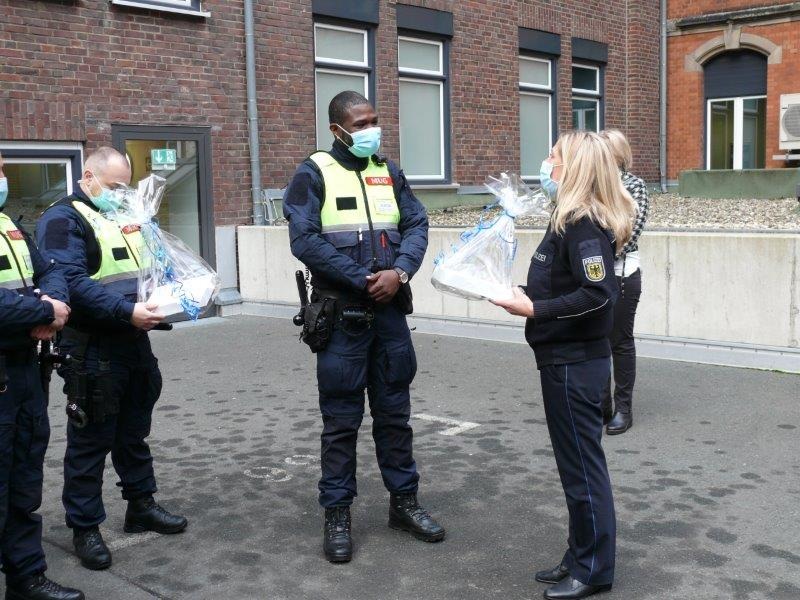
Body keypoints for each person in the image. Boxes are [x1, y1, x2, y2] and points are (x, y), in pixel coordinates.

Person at [283, 90, 445, 563]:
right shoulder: (313, 173)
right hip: (342, 317)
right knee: (341, 423)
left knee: (395, 417)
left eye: (374, 120)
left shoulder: (388, 170)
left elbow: (417, 223)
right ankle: (337, 514)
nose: (370, 129)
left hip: (390, 313)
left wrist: (402, 272)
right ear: (337, 129)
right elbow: (304, 240)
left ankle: (404, 503)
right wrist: (363, 278)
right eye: (360, 123)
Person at [493, 130, 636, 599]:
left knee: (582, 470)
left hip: (575, 363)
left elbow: (598, 296)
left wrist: (535, 309)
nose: (545, 162)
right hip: (562, 360)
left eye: (552, 155)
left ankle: (594, 569)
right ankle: (579, 555)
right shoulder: (567, 220)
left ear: (571, 168)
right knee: (573, 467)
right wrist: (525, 296)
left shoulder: (583, 226)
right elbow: (561, 287)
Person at [36, 147, 187, 572]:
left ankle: (140, 504)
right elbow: (70, 280)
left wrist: (164, 299)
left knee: (133, 432)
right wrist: (126, 312)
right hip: (92, 348)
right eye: (115, 186)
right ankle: (85, 526)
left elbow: (145, 269)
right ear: (88, 177)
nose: (122, 194)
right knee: (90, 440)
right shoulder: (63, 220)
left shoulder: (122, 215)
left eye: (126, 186)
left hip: (133, 341)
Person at [0, 151, 84, 599]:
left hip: (23, 371)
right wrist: (41, 309)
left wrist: (50, 308)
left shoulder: (8, 225)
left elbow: (49, 271)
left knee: (23, 483)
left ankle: (26, 578)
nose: (2, 177)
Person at [599, 129, 649, 435]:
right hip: (593, 276)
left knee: (620, 341)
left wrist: (590, 250)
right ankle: (602, 404)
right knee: (596, 340)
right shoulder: (589, 186)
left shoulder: (634, 186)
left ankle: (624, 408)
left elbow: (630, 234)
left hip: (622, 276)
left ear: (617, 155)